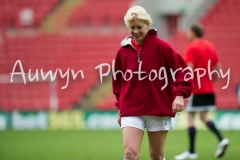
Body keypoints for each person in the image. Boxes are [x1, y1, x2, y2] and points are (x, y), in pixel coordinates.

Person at [112, 6, 193, 160]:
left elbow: (183, 71)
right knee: (129, 153)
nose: (135, 31)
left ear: (148, 26)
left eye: (139, 27)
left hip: (158, 108)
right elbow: (118, 83)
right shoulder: (122, 52)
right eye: (132, 28)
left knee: (156, 155)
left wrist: (180, 95)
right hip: (130, 109)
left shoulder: (162, 47)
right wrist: (119, 107)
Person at [174, 23, 229, 160]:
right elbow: (218, 69)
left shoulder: (191, 47)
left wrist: (184, 87)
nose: (187, 34)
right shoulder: (210, 46)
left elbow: (190, 69)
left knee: (191, 118)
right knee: (204, 117)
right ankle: (221, 140)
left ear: (193, 32)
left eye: (188, 32)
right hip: (209, 89)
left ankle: (192, 152)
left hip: (196, 89)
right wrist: (211, 83)